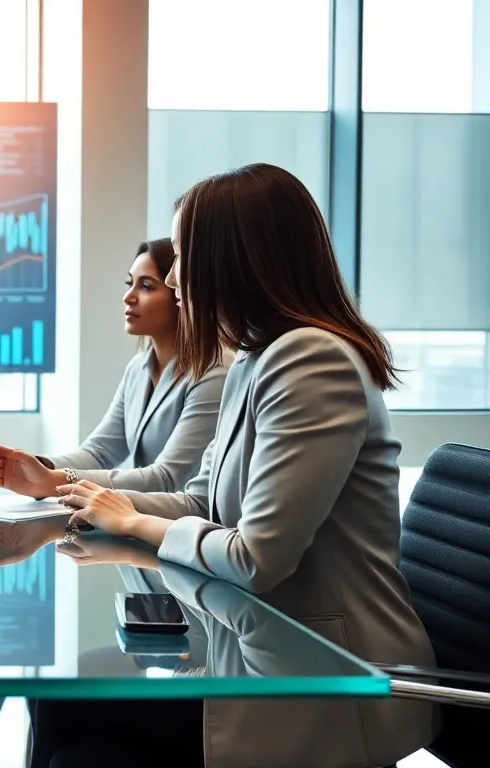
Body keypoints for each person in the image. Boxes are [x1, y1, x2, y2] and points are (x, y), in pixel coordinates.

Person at [32, 163, 438, 767]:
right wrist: (103, 508)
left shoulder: (310, 361)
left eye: (183, 256)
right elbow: (201, 502)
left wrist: (137, 524)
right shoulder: (254, 357)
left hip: (326, 679)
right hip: (266, 650)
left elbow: (256, 558)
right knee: (59, 703)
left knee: (77, 738)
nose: (171, 277)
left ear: (232, 260)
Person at [0, 238, 226, 768]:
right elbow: (99, 448)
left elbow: (168, 476)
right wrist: (34, 469)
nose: (129, 296)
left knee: (59, 690)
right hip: (144, 577)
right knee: (49, 693)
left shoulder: (212, 375)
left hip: (190, 604)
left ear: (182, 295)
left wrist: (53, 481)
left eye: (146, 285)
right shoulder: (142, 367)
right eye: (129, 283)